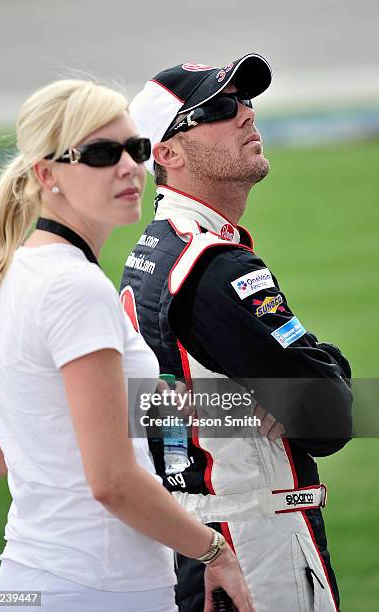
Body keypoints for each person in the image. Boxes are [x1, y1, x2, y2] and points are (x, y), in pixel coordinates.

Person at [0, 78, 254, 612]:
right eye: (102, 153)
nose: (130, 167)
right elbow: (113, 482)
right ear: (45, 173)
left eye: (136, 148)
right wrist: (215, 552)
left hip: (32, 578)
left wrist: (227, 407)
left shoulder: (21, 269)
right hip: (98, 586)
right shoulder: (74, 287)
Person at [120, 55, 353, 611]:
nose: (247, 115)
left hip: (198, 538)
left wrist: (309, 374)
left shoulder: (157, 247)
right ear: (166, 154)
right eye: (221, 108)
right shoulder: (216, 268)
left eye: (246, 101)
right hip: (253, 546)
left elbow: (152, 405)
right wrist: (325, 371)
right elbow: (331, 418)